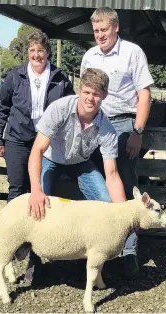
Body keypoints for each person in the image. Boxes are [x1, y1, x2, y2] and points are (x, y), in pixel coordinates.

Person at [80, 7, 154, 278]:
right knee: (94, 182)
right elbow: (84, 93)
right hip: (94, 122)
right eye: (96, 31)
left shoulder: (132, 52)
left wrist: (137, 131)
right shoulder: (89, 56)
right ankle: (98, 247)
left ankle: (129, 253)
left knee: (125, 185)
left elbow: (144, 95)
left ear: (116, 28)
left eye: (104, 30)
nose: (99, 35)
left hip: (123, 123)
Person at [27, 68, 126, 220]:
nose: (90, 98)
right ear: (79, 90)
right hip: (51, 158)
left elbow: (112, 175)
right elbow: (38, 149)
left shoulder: (107, 130)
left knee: (105, 202)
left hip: (81, 162)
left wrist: (124, 213)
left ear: (104, 95)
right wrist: (35, 188)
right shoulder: (59, 109)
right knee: (40, 200)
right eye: (86, 92)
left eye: (96, 94)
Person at [0, 30, 74, 202]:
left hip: (47, 141)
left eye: (40, 50)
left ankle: (38, 228)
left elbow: (71, 108)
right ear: (27, 52)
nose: (36, 55)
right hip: (18, 139)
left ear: (48, 52)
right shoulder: (15, 76)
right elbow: (2, 108)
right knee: (17, 187)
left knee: (42, 189)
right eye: (32, 50)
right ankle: (13, 228)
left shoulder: (60, 78)